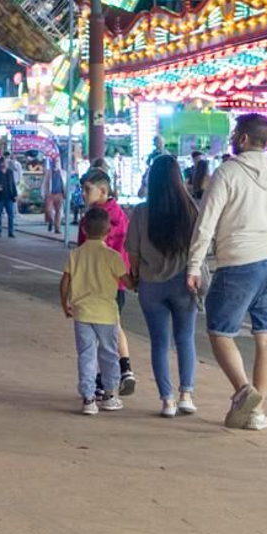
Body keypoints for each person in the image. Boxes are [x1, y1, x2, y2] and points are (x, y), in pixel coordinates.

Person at [186, 113, 267, 431]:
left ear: (244, 139)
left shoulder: (226, 173)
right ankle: (256, 411)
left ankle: (243, 391)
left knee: (220, 330)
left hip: (238, 260)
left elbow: (204, 223)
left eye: (236, 134)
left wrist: (194, 265)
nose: (234, 139)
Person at [127, 154, 200, 418]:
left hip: (151, 285)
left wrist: (136, 274)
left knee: (159, 343)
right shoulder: (191, 210)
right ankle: (186, 395)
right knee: (185, 339)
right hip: (184, 284)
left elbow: (132, 253)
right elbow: (200, 248)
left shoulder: (141, 212)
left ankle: (167, 401)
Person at [60, 207, 129, 415]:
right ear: (108, 230)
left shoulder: (75, 254)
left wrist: (65, 303)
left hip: (82, 313)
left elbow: (64, 282)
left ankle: (88, 398)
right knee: (108, 354)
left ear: (83, 228)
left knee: (86, 355)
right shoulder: (112, 256)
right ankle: (109, 394)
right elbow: (128, 282)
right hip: (107, 315)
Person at [77, 169, 136, 396]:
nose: (83, 193)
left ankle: (106, 380)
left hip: (96, 286)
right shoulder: (120, 214)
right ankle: (124, 368)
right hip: (117, 283)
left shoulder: (94, 219)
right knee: (113, 327)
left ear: (102, 190)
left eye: (87, 189)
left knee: (98, 336)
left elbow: (83, 252)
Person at [0, 155, 19, 238]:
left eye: (5, 162)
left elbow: (12, 184)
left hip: (9, 196)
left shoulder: (10, 172)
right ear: (0, 163)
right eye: (2, 163)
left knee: (11, 215)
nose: (4, 164)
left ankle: (11, 231)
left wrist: (15, 194)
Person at [43, 157, 66, 234]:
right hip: (50, 194)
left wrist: (66, 194)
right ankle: (51, 221)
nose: (56, 163)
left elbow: (66, 183)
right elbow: (45, 183)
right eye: (55, 161)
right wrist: (44, 193)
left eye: (58, 161)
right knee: (48, 210)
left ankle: (57, 228)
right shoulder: (49, 172)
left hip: (60, 194)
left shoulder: (63, 172)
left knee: (58, 211)